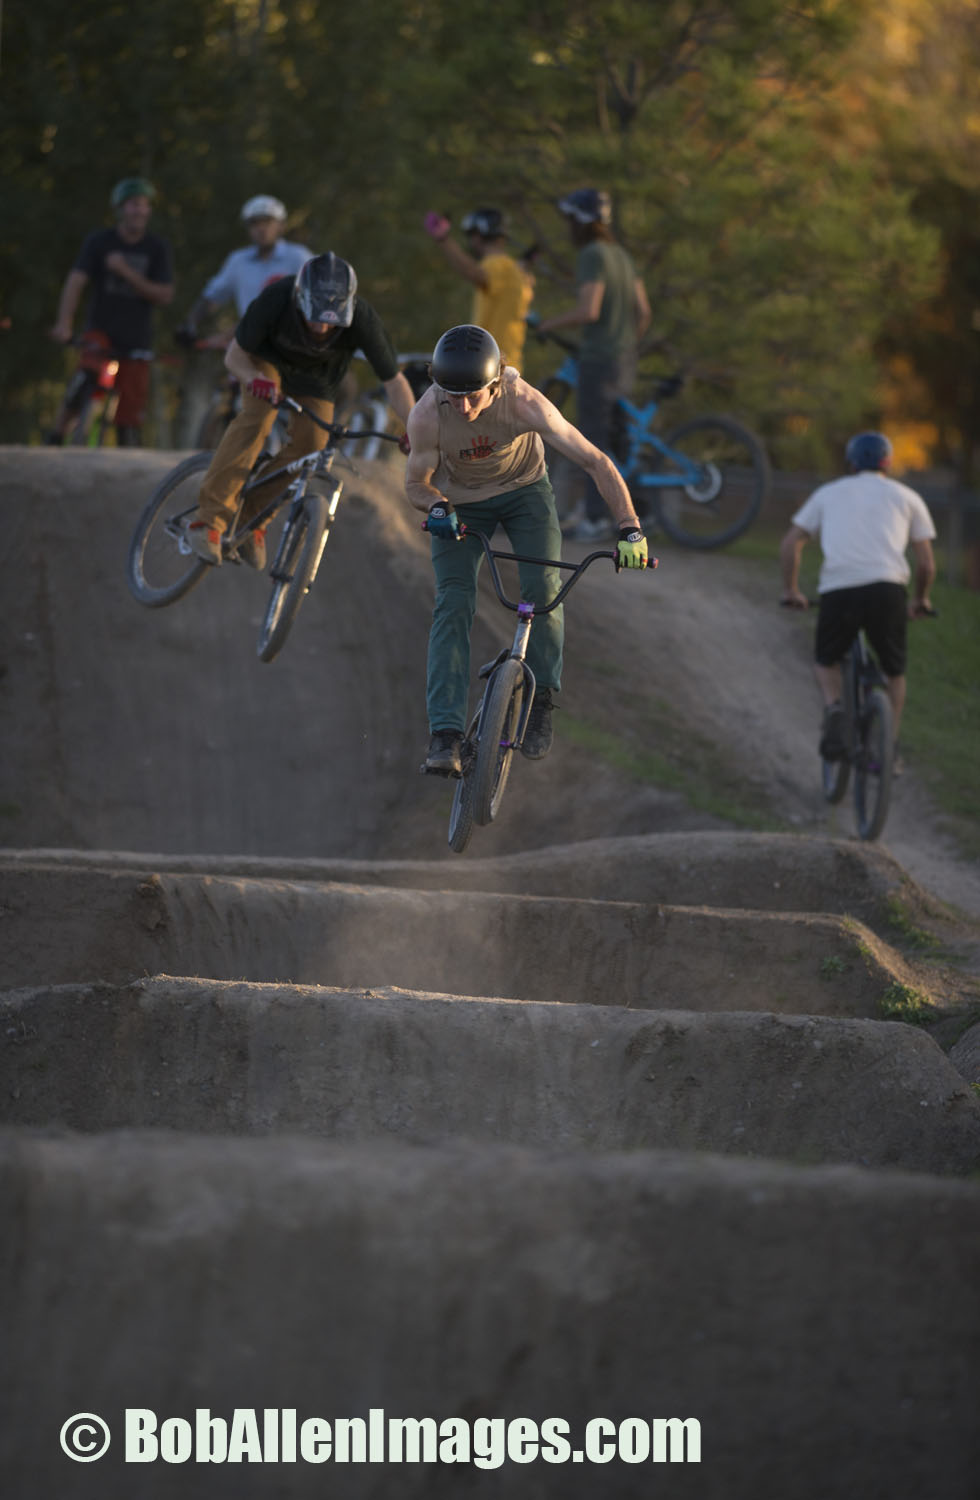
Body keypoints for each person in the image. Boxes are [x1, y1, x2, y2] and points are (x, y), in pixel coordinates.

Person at [404, 324, 649, 776]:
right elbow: (415, 483)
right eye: (451, 395)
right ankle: (445, 735)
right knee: (453, 604)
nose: (462, 406)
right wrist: (437, 507)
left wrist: (630, 527)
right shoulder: (427, 416)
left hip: (525, 493)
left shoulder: (524, 402)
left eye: (473, 395)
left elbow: (595, 460)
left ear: (495, 384)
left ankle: (541, 703)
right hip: (461, 502)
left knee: (543, 587)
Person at [182, 252, 416, 570]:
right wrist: (253, 379)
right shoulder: (276, 298)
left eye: (330, 321)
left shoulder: (363, 318)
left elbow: (394, 381)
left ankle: (251, 520)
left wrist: (415, 431)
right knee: (258, 419)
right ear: (300, 297)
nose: (320, 327)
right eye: (313, 317)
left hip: (317, 381)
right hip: (266, 365)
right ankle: (207, 521)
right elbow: (234, 357)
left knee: (312, 447)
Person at [779, 430, 937, 762]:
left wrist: (791, 590)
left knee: (826, 661)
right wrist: (921, 599)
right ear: (888, 463)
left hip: (840, 589)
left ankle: (834, 708)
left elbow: (791, 542)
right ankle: (889, 748)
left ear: (850, 463)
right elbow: (925, 563)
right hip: (888, 590)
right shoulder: (907, 497)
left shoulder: (828, 493)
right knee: (895, 672)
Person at [535, 188, 651, 541]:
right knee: (618, 437)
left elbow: (589, 310)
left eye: (569, 220)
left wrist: (547, 325)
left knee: (591, 441)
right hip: (624, 358)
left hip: (599, 360)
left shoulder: (592, 255)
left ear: (581, 222)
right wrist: (626, 342)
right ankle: (632, 510)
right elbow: (643, 312)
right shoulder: (621, 255)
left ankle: (596, 519)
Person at [49, 177, 174, 445]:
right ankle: (57, 436)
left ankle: (124, 462)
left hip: (137, 337)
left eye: (143, 205)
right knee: (83, 379)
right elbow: (76, 281)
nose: (138, 210)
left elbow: (165, 295)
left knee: (130, 411)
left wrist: (126, 272)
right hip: (100, 330)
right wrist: (64, 323)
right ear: (120, 209)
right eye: (132, 204)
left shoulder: (156, 247)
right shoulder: (99, 242)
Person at [177, 195, 313, 335]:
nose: (261, 228)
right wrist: (190, 324)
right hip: (252, 341)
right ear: (247, 228)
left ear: (281, 225)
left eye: (267, 221)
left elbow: (319, 294)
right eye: (254, 223)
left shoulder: (299, 257)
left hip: (293, 339)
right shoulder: (238, 260)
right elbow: (212, 296)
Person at [423, 208, 534, 371]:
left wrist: (444, 240)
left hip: (492, 365)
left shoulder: (496, 263)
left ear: (480, 234)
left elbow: (473, 273)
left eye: (471, 235)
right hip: (510, 362)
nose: (470, 242)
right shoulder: (514, 269)